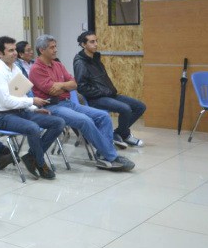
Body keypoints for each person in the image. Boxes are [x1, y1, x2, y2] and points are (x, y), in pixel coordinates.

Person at [29, 34, 135, 171]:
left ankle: (103, 156)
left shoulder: (58, 65)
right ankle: (112, 157)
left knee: (103, 117)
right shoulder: (36, 69)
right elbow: (52, 91)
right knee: (85, 121)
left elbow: (74, 84)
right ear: (41, 50)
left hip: (68, 103)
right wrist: (65, 86)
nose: (55, 50)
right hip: (52, 106)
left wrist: (61, 85)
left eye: (55, 46)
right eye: (52, 47)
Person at [0, 37, 65, 179]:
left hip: (21, 111)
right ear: (0, 53)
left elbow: (20, 94)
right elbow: (6, 101)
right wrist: (32, 101)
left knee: (58, 122)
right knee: (33, 128)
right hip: (3, 116)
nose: (15, 53)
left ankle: (31, 157)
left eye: (15, 49)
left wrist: (33, 108)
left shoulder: (15, 68)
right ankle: (40, 164)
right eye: (10, 50)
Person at [73, 31, 146, 147]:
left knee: (140, 107)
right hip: (95, 99)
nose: (96, 44)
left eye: (96, 41)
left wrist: (108, 91)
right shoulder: (80, 63)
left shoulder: (96, 58)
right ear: (83, 44)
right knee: (125, 109)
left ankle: (119, 134)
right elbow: (82, 87)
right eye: (92, 42)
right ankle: (124, 135)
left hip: (109, 95)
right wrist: (103, 92)